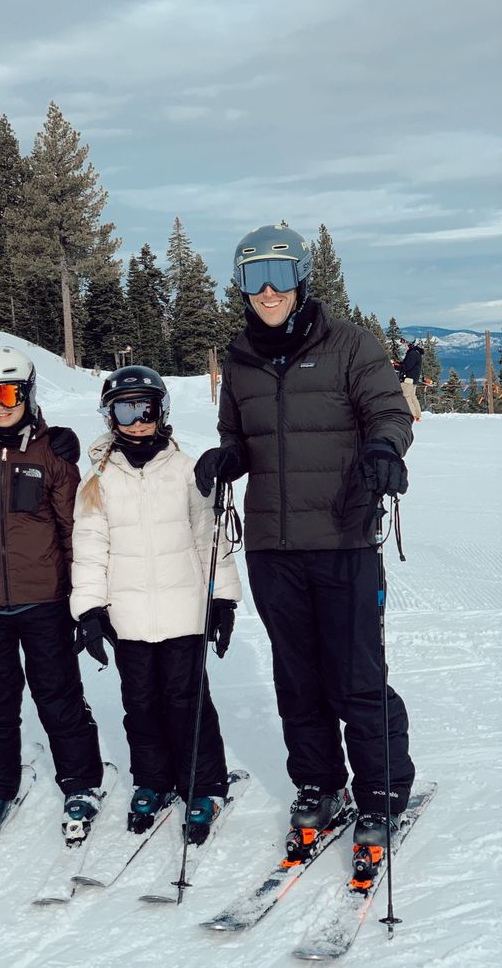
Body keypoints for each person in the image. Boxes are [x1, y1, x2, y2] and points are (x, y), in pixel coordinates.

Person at [194, 223, 415, 864]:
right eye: (252, 277)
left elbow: (389, 413)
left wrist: (382, 450)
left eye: (280, 275)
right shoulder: (238, 358)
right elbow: (237, 433)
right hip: (271, 544)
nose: (267, 290)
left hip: (344, 535)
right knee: (297, 676)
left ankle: (381, 789)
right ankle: (319, 784)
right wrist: (226, 458)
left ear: (302, 280)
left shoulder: (350, 344)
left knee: (355, 675)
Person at [0, 345, 104, 845]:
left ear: (28, 393)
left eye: (10, 392)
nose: (1, 404)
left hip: (46, 601)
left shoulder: (53, 452)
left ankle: (80, 783)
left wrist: (83, 598)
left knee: (59, 696)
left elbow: (75, 527)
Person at [71, 366, 241, 841]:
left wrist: (222, 598)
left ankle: (204, 783)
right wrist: (89, 609)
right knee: (140, 704)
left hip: (184, 612)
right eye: (126, 409)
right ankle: (152, 779)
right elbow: (89, 547)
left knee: (188, 702)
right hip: (128, 618)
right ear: (110, 415)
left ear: (161, 412)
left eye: (146, 408)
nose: (138, 419)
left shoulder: (187, 471)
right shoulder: (98, 480)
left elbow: (210, 539)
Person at [398, 338, 424, 422]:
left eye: (405, 345)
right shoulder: (416, 353)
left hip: (408, 379)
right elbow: (407, 364)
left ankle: (412, 415)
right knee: (412, 396)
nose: (404, 347)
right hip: (413, 379)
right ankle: (417, 415)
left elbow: (407, 366)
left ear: (409, 344)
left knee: (406, 396)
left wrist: (395, 366)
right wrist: (398, 363)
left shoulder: (412, 354)